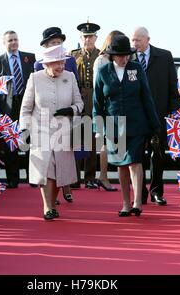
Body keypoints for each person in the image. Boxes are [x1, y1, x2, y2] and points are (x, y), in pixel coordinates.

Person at [93, 35, 160, 217]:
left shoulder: (136, 69)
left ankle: (137, 201)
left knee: (134, 161)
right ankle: (125, 203)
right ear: (112, 55)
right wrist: (98, 128)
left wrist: (155, 125)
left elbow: (147, 97)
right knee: (121, 165)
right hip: (114, 126)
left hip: (137, 124)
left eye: (126, 55)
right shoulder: (104, 72)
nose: (124, 58)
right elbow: (97, 103)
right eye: (120, 55)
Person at [19, 45, 83, 220]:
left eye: (63, 62)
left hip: (63, 131)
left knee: (59, 172)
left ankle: (52, 204)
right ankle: (48, 207)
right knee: (46, 169)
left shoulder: (70, 77)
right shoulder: (35, 78)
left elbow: (79, 103)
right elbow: (25, 108)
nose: (61, 66)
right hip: (40, 130)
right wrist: (25, 129)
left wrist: (71, 110)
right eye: (57, 63)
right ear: (47, 63)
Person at [131, 26, 180, 205]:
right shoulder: (128, 57)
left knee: (158, 154)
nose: (134, 44)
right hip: (137, 116)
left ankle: (157, 191)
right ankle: (140, 192)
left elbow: (172, 84)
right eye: (133, 40)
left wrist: (173, 109)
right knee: (138, 156)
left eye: (138, 40)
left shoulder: (164, 56)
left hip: (158, 114)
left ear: (147, 39)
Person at [34, 26, 79, 202]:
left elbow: (75, 84)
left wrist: (73, 109)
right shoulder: (38, 65)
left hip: (66, 115)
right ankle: (52, 198)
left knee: (65, 157)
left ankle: (65, 186)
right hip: (46, 119)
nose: (57, 45)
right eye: (53, 42)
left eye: (59, 42)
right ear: (46, 46)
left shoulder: (70, 61)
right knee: (50, 159)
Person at [0, 30, 36, 189]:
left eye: (15, 39)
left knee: (29, 142)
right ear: (4, 43)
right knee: (11, 145)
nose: (14, 42)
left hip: (27, 106)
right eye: (10, 40)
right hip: (7, 108)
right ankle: (12, 179)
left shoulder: (29, 58)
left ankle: (33, 177)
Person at [92, 30, 125, 192]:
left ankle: (105, 176)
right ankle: (103, 176)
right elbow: (97, 87)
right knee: (107, 142)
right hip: (106, 108)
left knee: (114, 143)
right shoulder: (101, 60)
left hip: (117, 109)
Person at [69, 20, 101, 190]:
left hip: (94, 101)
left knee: (91, 143)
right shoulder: (73, 55)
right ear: (80, 38)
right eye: (85, 37)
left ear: (96, 38)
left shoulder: (101, 55)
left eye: (91, 37)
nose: (88, 40)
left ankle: (89, 177)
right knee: (76, 141)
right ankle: (74, 178)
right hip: (76, 100)